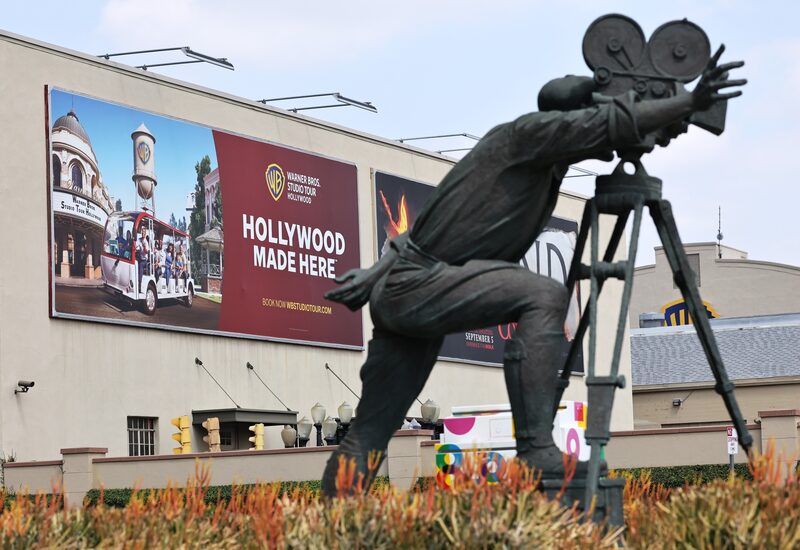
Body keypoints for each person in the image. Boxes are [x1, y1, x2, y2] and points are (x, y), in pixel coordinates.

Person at [321, 48, 745, 495]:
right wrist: (688, 102)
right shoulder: (528, 134)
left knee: (367, 435)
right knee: (543, 295)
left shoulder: (529, 160)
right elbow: (603, 127)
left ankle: (336, 530)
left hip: (411, 284)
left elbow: (423, 231)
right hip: (419, 284)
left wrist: (377, 273)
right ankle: (536, 448)